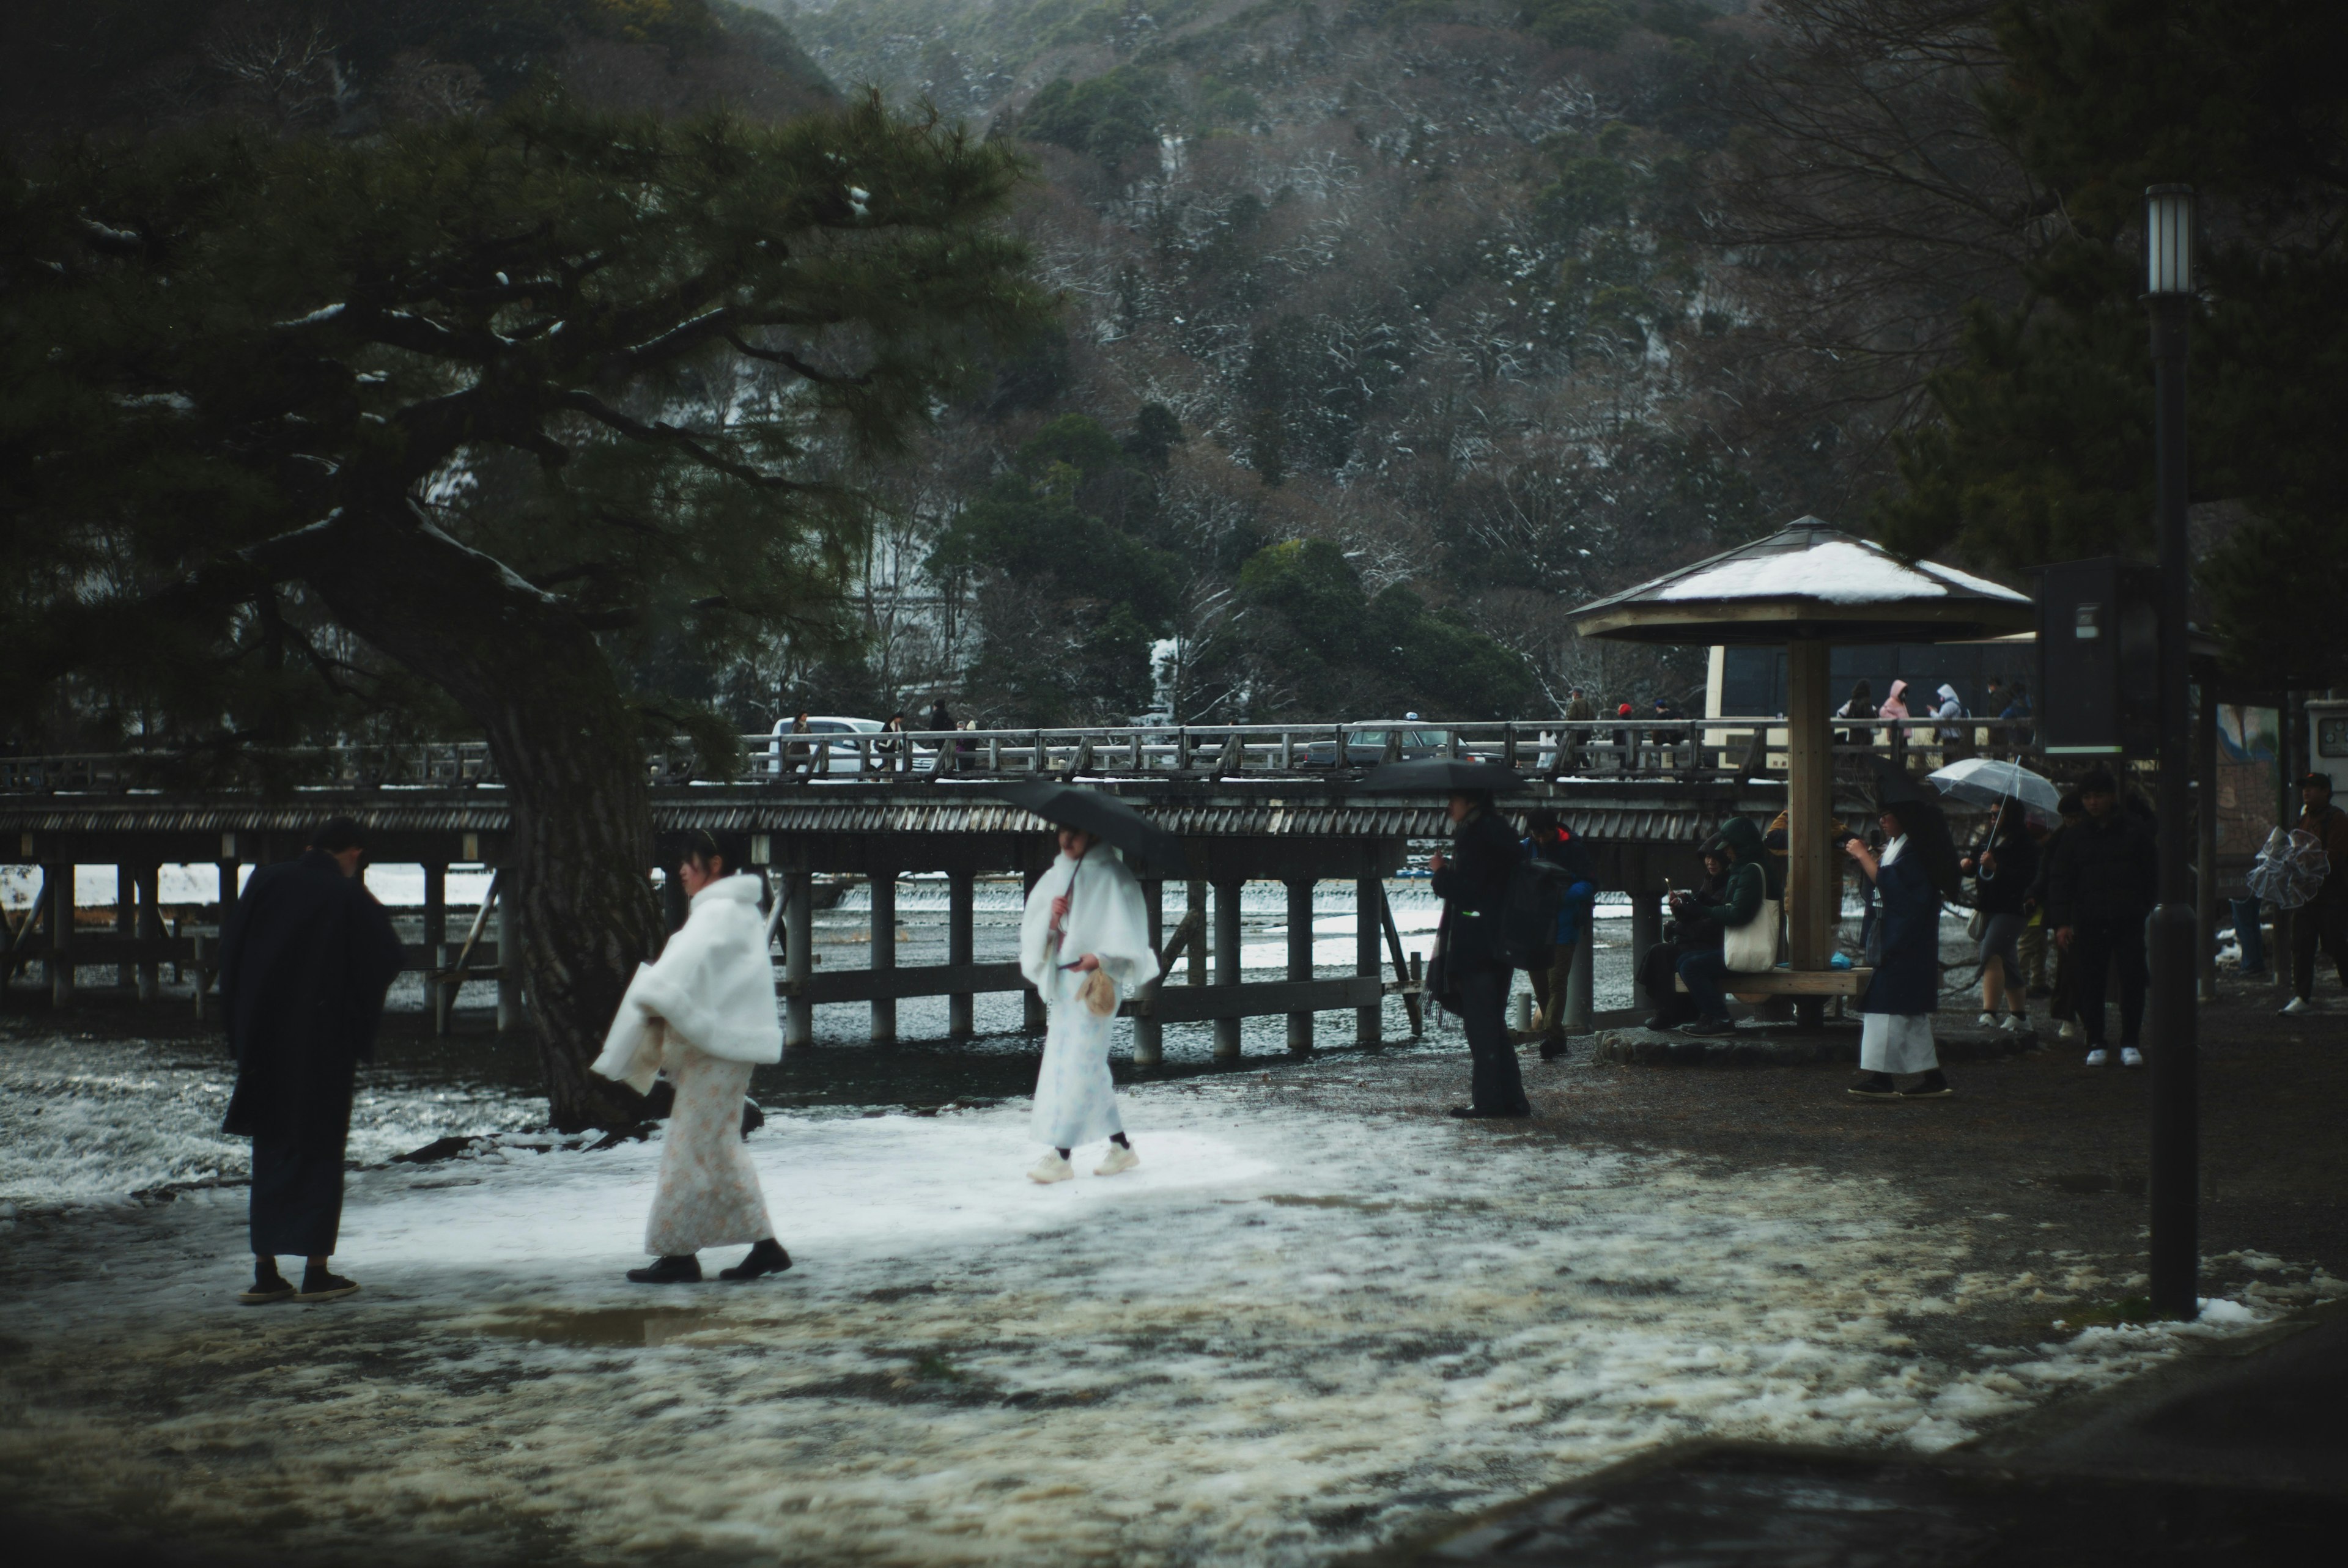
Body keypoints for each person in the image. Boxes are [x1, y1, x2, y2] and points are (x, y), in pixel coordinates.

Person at [220, 816, 407, 1305]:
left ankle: (265, 1270)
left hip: (264, 1040)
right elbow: (387, 954)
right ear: (352, 853)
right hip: (321, 1043)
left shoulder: (265, 880)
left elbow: (232, 950)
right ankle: (316, 1270)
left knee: (271, 1147)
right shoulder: (345, 895)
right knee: (319, 1148)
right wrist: (351, 1008)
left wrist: (239, 1024)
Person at [594, 832, 790, 1283]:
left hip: (720, 1050)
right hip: (723, 1049)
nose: (682, 869)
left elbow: (681, 969)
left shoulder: (721, 912)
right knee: (710, 1146)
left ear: (715, 863)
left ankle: (686, 1253)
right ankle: (757, 1246)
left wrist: (650, 994)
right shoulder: (731, 912)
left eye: (690, 861)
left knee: (697, 1146)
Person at [1019, 822, 1162, 1180]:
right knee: (1082, 1065)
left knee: (1081, 1063)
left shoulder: (1114, 876)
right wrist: (1052, 918)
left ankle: (1061, 1155)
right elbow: (1037, 934)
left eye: (1076, 833)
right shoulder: (1058, 874)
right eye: (1063, 833)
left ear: (1094, 835)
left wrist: (1100, 957)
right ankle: (1122, 1148)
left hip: (1096, 986)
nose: (1066, 839)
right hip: (1066, 983)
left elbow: (1131, 940)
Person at [1845, 779, 1963, 1099]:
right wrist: (1872, 862)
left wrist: (1867, 860)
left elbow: (1899, 893)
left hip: (1906, 941)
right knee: (1908, 1012)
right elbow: (1882, 888)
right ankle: (1933, 1076)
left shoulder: (1915, 852)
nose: (1882, 820)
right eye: (1881, 814)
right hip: (1898, 939)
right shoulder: (1902, 847)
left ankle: (1882, 1078)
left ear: (1905, 818)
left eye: (1888, 814)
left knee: (1887, 1008)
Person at [1430, 789, 1532, 1117]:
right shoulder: (1503, 833)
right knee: (1493, 1022)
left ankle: (1489, 1102)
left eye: (1453, 799)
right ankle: (1513, 1099)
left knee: (1481, 1025)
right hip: (1503, 941)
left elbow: (1469, 894)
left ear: (1470, 801)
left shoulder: (1476, 836)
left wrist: (1441, 873)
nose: (1449, 805)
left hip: (1478, 942)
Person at [2045, 769, 2158, 1067]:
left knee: (2132, 980)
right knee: (2090, 981)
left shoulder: (2133, 830)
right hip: (2090, 919)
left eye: (2097, 796)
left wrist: (2142, 905)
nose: (2092, 803)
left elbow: (2151, 873)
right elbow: (2061, 881)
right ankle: (2096, 1039)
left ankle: (2130, 1040)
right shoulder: (2074, 837)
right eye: (2087, 797)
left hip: (2127, 917)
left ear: (2111, 797)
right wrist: (2062, 922)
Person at [1666, 815, 1768, 1037]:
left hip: (1749, 950)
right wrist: (1687, 908)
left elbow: (1737, 914)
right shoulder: (1742, 870)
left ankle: (1721, 1018)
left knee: (1691, 965)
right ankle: (1709, 1015)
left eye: (1728, 849)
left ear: (1741, 846)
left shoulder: (1749, 871)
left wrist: (1700, 909)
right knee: (1684, 960)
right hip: (1738, 945)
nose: (1727, 854)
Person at [1521, 810, 1598, 1059]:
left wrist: (1560, 896)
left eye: (1544, 835)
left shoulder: (1574, 849)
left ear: (1555, 829)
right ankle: (1557, 1039)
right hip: (1533, 929)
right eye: (1536, 835)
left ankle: (1551, 1035)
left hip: (1564, 926)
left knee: (1556, 984)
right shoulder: (1526, 848)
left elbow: (1589, 885)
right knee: (1541, 988)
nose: (1541, 840)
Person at [1963, 809, 2039, 1034]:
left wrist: (1997, 867)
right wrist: (1968, 865)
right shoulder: (1989, 838)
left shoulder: (2025, 843)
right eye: (1991, 814)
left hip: (2012, 908)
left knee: (1990, 951)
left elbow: (2027, 877)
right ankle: (2019, 1016)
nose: (1993, 818)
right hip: (1989, 906)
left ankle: (1990, 1013)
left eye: (1998, 814)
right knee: (2007, 960)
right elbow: (1977, 863)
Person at [1638, 847, 1729, 1030]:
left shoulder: (1727, 885)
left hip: (1715, 943)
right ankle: (1668, 1011)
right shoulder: (1709, 881)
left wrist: (1678, 927)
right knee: (1658, 952)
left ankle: (1673, 1012)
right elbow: (1697, 916)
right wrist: (1679, 909)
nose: (1711, 863)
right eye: (1708, 857)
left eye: (1716, 858)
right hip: (1700, 939)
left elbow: (1711, 925)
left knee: (1665, 954)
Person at [2283, 772, 2348, 1015]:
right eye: (2305, 787)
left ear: (2325, 792)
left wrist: (2306, 862)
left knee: (2334, 943)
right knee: (2301, 944)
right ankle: (2301, 996)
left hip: (2331, 895)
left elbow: (2336, 855)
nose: (2306, 791)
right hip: (2305, 894)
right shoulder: (2303, 819)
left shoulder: (2337, 818)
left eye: (2312, 787)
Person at [1933, 683, 1971, 763]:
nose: (1941, 698)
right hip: (1952, 735)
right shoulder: (1954, 703)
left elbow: (1940, 718)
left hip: (1951, 736)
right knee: (1951, 758)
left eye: (1942, 695)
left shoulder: (1950, 704)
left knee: (1949, 759)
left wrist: (1932, 712)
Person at [1834, 680, 1877, 748]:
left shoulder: (1851, 704)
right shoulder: (1871, 706)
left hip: (1853, 741)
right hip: (1868, 742)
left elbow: (1839, 714)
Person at [877, 711, 909, 776]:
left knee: (893, 762)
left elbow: (897, 739)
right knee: (885, 763)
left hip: (891, 747)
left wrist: (900, 748)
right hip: (885, 746)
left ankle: (894, 778)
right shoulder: (888, 724)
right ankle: (875, 775)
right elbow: (882, 733)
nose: (900, 721)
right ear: (896, 718)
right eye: (900, 719)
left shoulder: (897, 726)